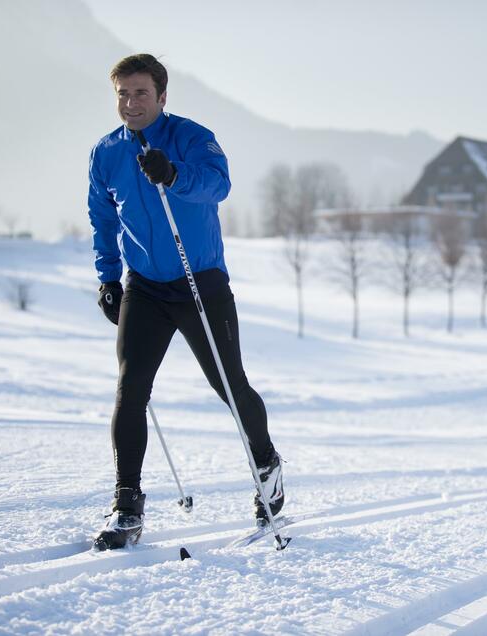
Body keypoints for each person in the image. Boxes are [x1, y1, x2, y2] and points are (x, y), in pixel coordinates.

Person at [87, 54, 283, 550]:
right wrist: (108, 277)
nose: (131, 104)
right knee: (131, 389)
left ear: (162, 96)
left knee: (229, 384)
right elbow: (102, 218)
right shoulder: (105, 153)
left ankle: (267, 468)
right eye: (123, 94)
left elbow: (218, 184)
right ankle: (126, 504)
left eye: (141, 94)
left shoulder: (193, 137)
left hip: (201, 281)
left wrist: (173, 174)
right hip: (145, 286)